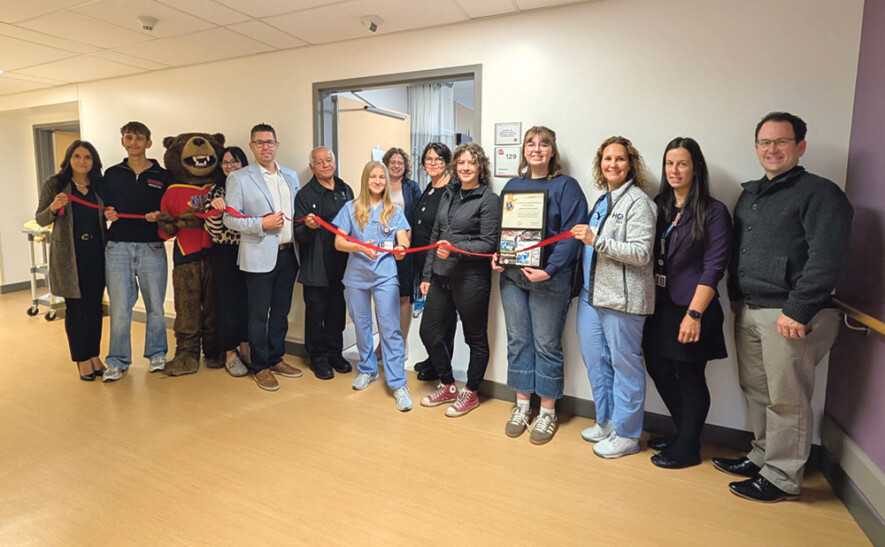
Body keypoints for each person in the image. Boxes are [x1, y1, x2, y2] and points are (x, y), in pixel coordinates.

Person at [715, 112, 853, 502]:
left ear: (800, 146)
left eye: (781, 141)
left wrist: (799, 309)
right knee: (757, 390)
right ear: (756, 147)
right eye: (765, 142)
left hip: (790, 314)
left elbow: (828, 257)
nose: (772, 149)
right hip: (751, 309)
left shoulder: (820, 194)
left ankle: (782, 477)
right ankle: (763, 457)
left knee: (787, 398)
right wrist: (736, 297)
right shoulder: (752, 195)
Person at [494, 126, 588, 444]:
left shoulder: (566, 186)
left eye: (544, 144)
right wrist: (499, 256)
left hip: (550, 279)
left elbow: (572, 235)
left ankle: (547, 412)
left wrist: (549, 270)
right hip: (513, 278)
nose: (537, 149)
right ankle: (522, 406)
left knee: (547, 344)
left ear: (552, 151)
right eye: (531, 143)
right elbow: (505, 231)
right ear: (523, 151)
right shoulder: (513, 186)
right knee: (518, 340)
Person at [642, 137, 732, 469]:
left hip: (693, 306)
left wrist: (694, 314)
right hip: (660, 303)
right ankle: (683, 434)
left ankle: (689, 447)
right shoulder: (660, 205)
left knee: (690, 375)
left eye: (682, 163)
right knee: (657, 367)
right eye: (669, 163)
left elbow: (714, 268)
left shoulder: (713, 211)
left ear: (696, 168)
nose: (674, 170)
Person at [571, 136, 656, 458]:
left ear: (631, 164)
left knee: (625, 367)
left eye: (620, 159)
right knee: (596, 362)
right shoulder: (603, 201)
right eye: (607, 159)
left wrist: (596, 241)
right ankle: (606, 421)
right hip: (592, 296)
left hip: (622, 299)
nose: (613, 165)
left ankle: (628, 434)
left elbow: (641, 253)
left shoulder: (639, 203)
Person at [418, 143, 500, 417]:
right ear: (455, 166)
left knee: (475, 338)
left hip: (471, 279)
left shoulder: (488, 199)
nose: (465, 167)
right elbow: (435, 236)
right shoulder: (448, 194)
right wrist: (427, 274)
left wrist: (455, 248)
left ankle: (471, 392)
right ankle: (448, 384)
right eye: (461, 162)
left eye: (471, 163)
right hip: (441, 276)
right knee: (428, 332)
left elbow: (488, 244)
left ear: (480, 167)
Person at [223, 123, 304, 392]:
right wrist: (261, 223)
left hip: (289, 254)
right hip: (258, 256)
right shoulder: (239, 178)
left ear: (277, 145)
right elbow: (230, 219)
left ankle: (275, 358)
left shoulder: (290, 175)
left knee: (281, 311)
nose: (265, 147)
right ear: (252, 147)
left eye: (269, 142)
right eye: (259, 143)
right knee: (258, 314)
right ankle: (260, 366)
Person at [333, 161, 412, 411]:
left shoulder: (394, 210)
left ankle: (398, 383)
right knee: (362, 325)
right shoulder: (351, 208)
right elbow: (339, 242)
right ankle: (368, 370)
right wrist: (359, 247)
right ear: (365, 180)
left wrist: (401, 249)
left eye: (381, 177)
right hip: (356, 277)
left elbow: (403, 240)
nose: (377, 181)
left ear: (386, 181)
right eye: (373, 177)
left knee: (390, 328)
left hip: (385, 276)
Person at [101, 121, 172, 382]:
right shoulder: (112, 173)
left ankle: (157, 353)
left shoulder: (162, 175)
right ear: (122, 141)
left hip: (151, 247)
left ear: (148, 143)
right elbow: (102, 206)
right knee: (120, 308)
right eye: (129, 138)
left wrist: (161, 216)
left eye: (139, 138)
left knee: (155, 306)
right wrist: (107, 212)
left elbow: (172, 209)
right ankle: (117, 360)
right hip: (117, 247)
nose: (133, 143)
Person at [34, 141, 108, 380]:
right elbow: (41, 219)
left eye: (87, 157)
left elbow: (107, 214)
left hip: (96, 252)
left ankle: (94, 355)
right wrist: (54, 207)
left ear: (94, 161)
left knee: (95, 306)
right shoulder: (55, 184)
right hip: (69, 255)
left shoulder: (99, 185)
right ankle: (82, 359)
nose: (82, 161)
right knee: (76, 308)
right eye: (77, 156)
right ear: (69, 159)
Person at [294, 147, 354, 380]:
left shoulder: (345, 189)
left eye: (329, 160)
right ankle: (318, 358)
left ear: (335, 162)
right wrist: (308, 227)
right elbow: (298, 233)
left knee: (337, 312)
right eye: (320, 162)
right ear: (312, 167)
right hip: (316, 265)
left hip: (342, 264)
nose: (326, 164)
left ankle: (335, 353)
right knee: (316, 314)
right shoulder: (304, 195)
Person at [411, 143, 458, 382]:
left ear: (447, 163)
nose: (433, 163)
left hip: (442, 264)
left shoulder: (451, 190)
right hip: (424, 263)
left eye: (438, 159)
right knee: (436, 318)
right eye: (428, 159)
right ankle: (434, 359)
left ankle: (441, 365)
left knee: (443, 319)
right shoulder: (430, 187)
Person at [205, 146, 251, 377]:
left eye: (235, 161)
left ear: (243, 164)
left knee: (249, 302)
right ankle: (230, 354)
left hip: (250, 250)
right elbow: (213, 230)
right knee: (227, 303)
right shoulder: (215, 191)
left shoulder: (252, 186)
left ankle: (246, 347)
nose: (230, 166)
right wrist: (216, 209)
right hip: (225, 252)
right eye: (225, 162)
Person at [382, 147, 421, 360]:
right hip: (381, 250)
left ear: (405, 166)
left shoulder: (411, 187)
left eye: (400, 163)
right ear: (386, 164)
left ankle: (401, 342)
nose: (397, 166)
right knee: (383, 296)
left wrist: (405, 241)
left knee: (404, 295)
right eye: (393, 162)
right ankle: (383, 344)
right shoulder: (378, 183)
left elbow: (416, 216)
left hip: (404, 248)